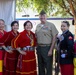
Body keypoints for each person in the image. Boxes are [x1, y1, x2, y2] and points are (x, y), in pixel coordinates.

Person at [35, 10, 58, 75]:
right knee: (40, 65)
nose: (42, 17)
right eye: (41, 16)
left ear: (46, 17)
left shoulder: (51, 25)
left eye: (44, 16)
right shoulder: (38, 26)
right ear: (39, 17)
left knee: (48, 66)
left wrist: (51, 50)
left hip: (47, 47)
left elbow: (54, 37)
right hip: (39, 48)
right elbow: (36, 37)